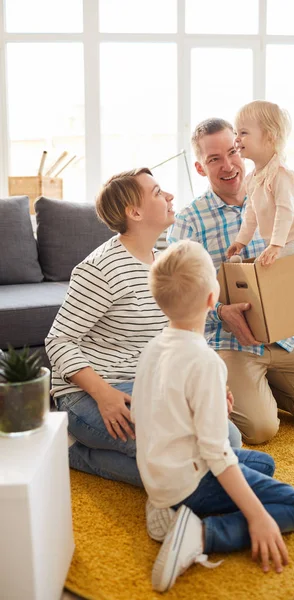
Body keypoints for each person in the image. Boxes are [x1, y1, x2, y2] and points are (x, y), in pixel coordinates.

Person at [45, 168, 242, 496]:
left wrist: (207, 387)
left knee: (229, 438)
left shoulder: (162, 265)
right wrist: (104, 395)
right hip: (88, 394)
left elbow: (172, 340)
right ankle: (73, 452)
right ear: (134, 213)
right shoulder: (99, 270)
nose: (169, 196)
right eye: (157, 192)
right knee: (182, 462)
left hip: (144, 384)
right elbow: (58, 341)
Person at [132, 240, 294, 593]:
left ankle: (166, 507)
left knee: (264, 464)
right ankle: (198, 534)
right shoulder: (205, 361)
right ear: (213, 300)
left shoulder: (154, 347)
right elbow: (217, 454)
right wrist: (258, 517)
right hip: (188, 480)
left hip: (160, 472)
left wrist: (215, 407)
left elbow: (150, 413)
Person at [168, 118, 294, 444]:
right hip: (229, 342)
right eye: (214, 159)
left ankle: (265, 386)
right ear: (200, 168)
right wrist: (220, 312)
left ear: (244, 150)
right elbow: (175, 294)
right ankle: (222, 386)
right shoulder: (188, 221)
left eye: (233, 151)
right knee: (261, 429)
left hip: (281, 334)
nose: (229, 165)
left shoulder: (273, 194)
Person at [227, 100, 294, 266]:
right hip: (287, 235)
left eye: (243, 133)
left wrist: (276, 245)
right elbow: (251, 214)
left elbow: (285, 210)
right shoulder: (252, 179)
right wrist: (241, 241)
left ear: (270, 136)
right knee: (263, 262)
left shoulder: (280, 174)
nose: (236, 139)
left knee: (264, 263)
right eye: (235, 132)